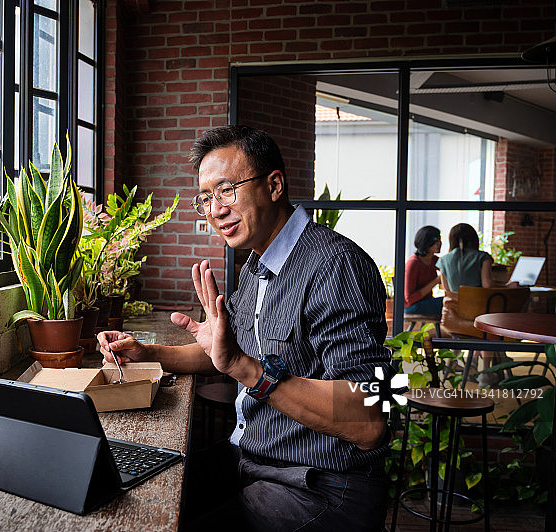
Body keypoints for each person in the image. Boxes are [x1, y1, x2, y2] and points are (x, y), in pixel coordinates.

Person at [98, 126, 391, 531]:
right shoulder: (258, 263)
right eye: (206, 198)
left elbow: (369, 419)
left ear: (274, 185)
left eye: (227, 190)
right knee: (130, 495)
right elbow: (227, 352)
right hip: (250, 457)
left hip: (319, 483)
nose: (215, 210)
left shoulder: (335, 266)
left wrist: (245, 367)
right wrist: (149, 354)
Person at [438, 223, 505, 386]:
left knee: (478, 329)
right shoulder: (483, 257)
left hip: (454, 320)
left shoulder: (443, 260)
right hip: (479, 318)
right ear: (473, 239)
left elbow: (448, 291)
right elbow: (487, 284)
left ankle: (471, 365)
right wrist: (507, 285)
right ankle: (485, 374)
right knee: (489, 329)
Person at [404, 225, 443, 316]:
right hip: (412, 307)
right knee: (448, 303)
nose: (439, 244)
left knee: (452, 302)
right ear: (426, 242)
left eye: (440, 240)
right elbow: (409, 299)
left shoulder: (435, 260)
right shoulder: (413, 263)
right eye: (435, 241)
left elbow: (448, 271)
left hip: (427, 302)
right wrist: (436, 281)